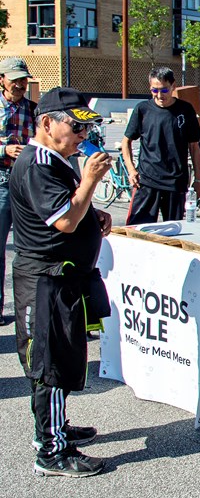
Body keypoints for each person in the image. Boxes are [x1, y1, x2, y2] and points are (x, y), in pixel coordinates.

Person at [11, 87, 113, 477]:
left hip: (64, 277)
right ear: (47, 123)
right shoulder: (38, 163)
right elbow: (64, 221)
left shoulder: (56, 158)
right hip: (45, 280)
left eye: (85, 128)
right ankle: (51, 450)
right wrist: (88, 184)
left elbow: (66, 211)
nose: (82, 136)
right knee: (48, 366)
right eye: (75, 127)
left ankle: (57, 426)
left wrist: (94, 213)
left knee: (64, 358)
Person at [121, 67, 200, 225]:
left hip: (176, 182)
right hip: (146, 180)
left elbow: (194, 146)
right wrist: (131, 170)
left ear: (173, 86)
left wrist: (198, 179)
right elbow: (126, 142)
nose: (159, 95)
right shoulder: (142, 109)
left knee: (174, 231)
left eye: (164, 90)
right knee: (137, 228)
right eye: (154, 90)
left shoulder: (185, 110)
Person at [0, 56, 37, 327]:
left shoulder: (34, 110)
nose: (20, 84)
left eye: (23, 79)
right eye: (15, 79)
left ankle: (36, 310)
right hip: (2, 182)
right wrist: (4, 149)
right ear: (2, 80)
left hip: (27, 184)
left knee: (34, 249)